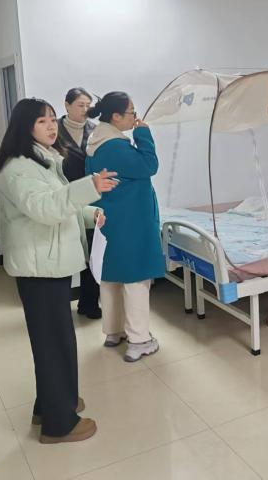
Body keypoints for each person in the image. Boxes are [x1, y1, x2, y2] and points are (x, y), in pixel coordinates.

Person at [0, 98, 118, 444]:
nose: (51, 126)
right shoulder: (20, 167)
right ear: (25, 127)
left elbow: (58, 203)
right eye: (42, 121)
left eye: (51, 120)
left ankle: (49, 405)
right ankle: (58, 424)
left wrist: (90, 213)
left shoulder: (42, 160)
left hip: (48, 263)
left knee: (55, 341)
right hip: (39, 269)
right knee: (53, 345)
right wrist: (90, 187)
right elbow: (45, 209)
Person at [85, 92, 164, 362]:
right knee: (136, 278)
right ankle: (139, 340)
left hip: (111, 219)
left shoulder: (96, 143)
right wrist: (144, 134)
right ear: (116, 116)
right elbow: (149, 165)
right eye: (131, 112)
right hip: (132, 221)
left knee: (112, 277)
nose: (134, 117)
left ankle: (113, 331)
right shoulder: (116, 147)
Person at [57, 87, 101, 319]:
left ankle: (89, 303)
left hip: (90, 197)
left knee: (92, 250)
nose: (85, 109)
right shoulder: (54, 130)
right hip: (63, 197)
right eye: (80, 105)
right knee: (65, 249)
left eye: (87, 105)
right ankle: (59, 307)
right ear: (67, 105)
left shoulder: (95, 130)